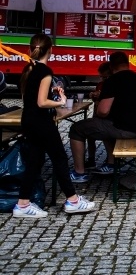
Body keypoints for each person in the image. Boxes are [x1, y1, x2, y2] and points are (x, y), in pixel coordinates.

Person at [14, 34, 96, 218]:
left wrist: (52, 91)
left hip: (28, 120)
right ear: (50, 50)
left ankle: (23, 203)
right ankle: (73, 200)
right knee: (59, 157)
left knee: (35, 161)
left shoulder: (30, 68)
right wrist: (60, 102)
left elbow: (32, 96)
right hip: (41, 122)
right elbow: (41, 102)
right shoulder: (45, 71)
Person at [68, 52, 136, 179]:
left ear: (112, 66)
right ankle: (111, 164)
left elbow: (103, 111)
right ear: (127, 63)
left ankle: (79, 172)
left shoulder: (113, 81)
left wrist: (98, 102)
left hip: (122, 129)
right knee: (102, 125)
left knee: (76, 129)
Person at [85, 61, 112, 169]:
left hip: (107, 116)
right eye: (101, 77)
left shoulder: (111, 84)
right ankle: (91, 159)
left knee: (106, 135)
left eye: (104, 77)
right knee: (89, 134)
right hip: (97, 114)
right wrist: (93, 95)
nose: (102, 80)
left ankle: (110, 159)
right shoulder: (100, 84)